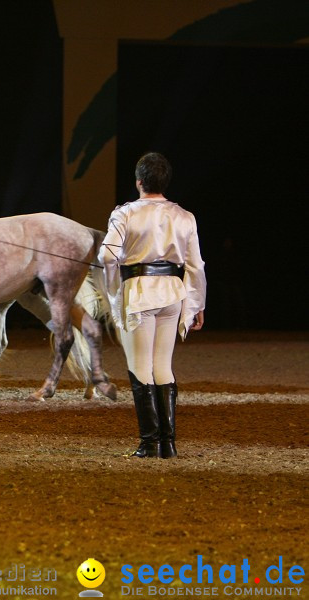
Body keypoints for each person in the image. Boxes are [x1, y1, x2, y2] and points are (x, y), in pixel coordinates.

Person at [99, 152, 207, 459]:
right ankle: (167, 443)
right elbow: (196, 265)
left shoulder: (125, 214)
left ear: (139, 182)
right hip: (173, 293)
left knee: (140, 366)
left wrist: (112, 289)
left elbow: (107, 256)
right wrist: (196, 303)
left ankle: (149, 442)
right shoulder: (185, 216)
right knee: (163, 365)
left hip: (139, 292)